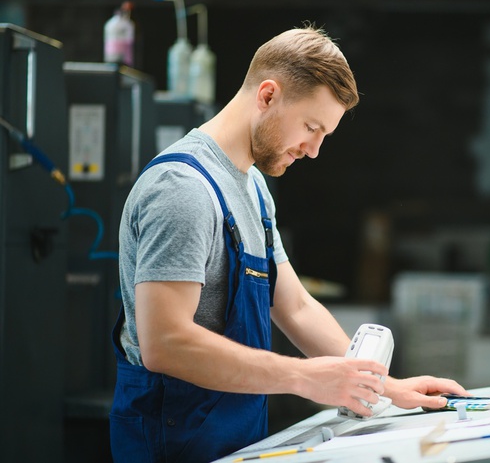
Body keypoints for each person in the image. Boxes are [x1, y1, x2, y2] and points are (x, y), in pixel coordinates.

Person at [109, 24, 468, 463]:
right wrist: (304, 378)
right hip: (173, 439)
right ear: (267, 95)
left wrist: (384, 387)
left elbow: (295, 306)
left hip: (233, 434)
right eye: (311, 127)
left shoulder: (253, 187)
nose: (314, 150)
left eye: (324, 136)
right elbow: (165, 342)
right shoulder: (183, 189)